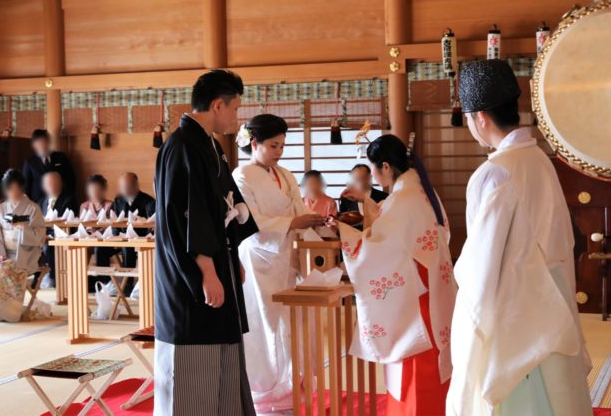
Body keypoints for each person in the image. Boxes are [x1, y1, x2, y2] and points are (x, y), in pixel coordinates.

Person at [446, 60, 592, 416]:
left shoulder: (493, 174)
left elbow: (481, 267)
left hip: (514, 315)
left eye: (468, 119)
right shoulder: (540, 161)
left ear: (480, 118)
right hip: (552, 301)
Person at [154, 69, 259, 416]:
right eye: (234, 109)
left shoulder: (209, 144)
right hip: (193, 277)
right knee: (194, 363)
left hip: (217, 264)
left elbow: (223, 206)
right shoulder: (182, 146)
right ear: (217, 105)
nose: (236, 117)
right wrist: (207, 271)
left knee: (223, 357)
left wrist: (231, 261)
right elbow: (186, 214)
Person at [337, 134, 456, 416]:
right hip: (430, 289)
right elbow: (396, 227)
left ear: (386, 167)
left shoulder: (403, 200)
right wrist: (366, 199)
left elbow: (378, 246)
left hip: (415, 301)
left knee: (414, 364)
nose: (375, 177)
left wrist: (344, 232)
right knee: (432, 365)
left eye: (374, 170)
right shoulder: (420, 191)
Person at [232, 115, 326, 413]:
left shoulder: (284, 174)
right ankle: (264, 393)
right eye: (273, 145)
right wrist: (293, 222)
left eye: (283, 146)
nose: (279, 152)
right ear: (254, 143)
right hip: (259, 260)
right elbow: (250, 222)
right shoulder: (242, 175)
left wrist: (317, 226)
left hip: (287, 258)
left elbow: (298, 212)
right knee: (264, 325)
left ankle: (289, 388)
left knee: (289, 323)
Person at [0, 169, 46, 276]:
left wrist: (23, 226)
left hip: (26, 255)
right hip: (4, 254)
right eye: (9, 189)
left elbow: (40, 234)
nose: (13, 192)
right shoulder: (1, 208)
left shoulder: (33, 208)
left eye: (16, 188)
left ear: (21, 188)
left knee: (4, 271)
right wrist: (0, 254)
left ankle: (12, 293)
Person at [111, 172, 155, 284]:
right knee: (99, 250)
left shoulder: (148, 201)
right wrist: (115, 238)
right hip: (120, 240)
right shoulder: (118, 200)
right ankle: (107, 284)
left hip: (139, 240)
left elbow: (151, 227)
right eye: (121, 187)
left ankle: (127, 287)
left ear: (136, 185)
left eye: (126, 186)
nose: (123, 190)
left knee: (128, 249)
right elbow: (114, 221)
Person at [39, 172, 78, 288]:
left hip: (62, 234)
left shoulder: (69, 200)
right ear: (44, 186)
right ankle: (35, 276)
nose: (52, 186)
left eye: (54, 183)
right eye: (48, 184)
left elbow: (69, 223)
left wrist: (49, 236)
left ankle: (53, 277)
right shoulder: (42, 202)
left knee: (49, 245)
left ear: (60, 184)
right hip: (43, 235)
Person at [22, 129, 76, 202]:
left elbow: (70, 178)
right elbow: (26, 186)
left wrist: (68, 197)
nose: (42, 146)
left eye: (43, 142)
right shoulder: (30, 162)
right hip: (38, 201)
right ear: (34, 145)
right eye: (38, 143)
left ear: (48, 142)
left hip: (60, 199)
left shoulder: (60, 157)